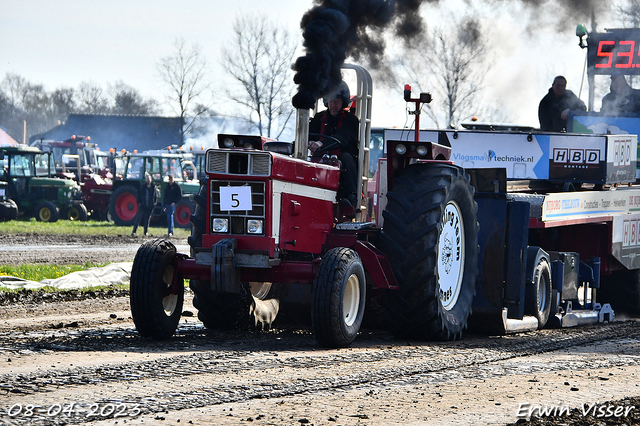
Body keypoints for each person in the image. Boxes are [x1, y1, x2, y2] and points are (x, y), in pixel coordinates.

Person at [308, 81, 359, 210]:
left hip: (341, 161)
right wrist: (308, 143)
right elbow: (308, 135)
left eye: (336, 101)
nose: (332, 105)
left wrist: (321, 143)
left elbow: (343, 137)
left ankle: (349, 198)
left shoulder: (350, 120)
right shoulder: (319, 118)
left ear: (343, 102)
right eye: (330, 101)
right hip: (319, 161)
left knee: (347, 158)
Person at [131, 172, 157, 237]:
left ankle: (145, 232)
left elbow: (155, 197)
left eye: (148, 178)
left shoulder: (153, 188)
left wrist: (154, 204)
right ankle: (134, 231)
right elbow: (138, 195)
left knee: (147, 219)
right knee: (138, 218)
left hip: (149, 206)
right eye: (146, 178)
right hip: (142, 205)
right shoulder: (142, 187)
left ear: (151, 179)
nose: (147, 180)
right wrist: (139, 203)